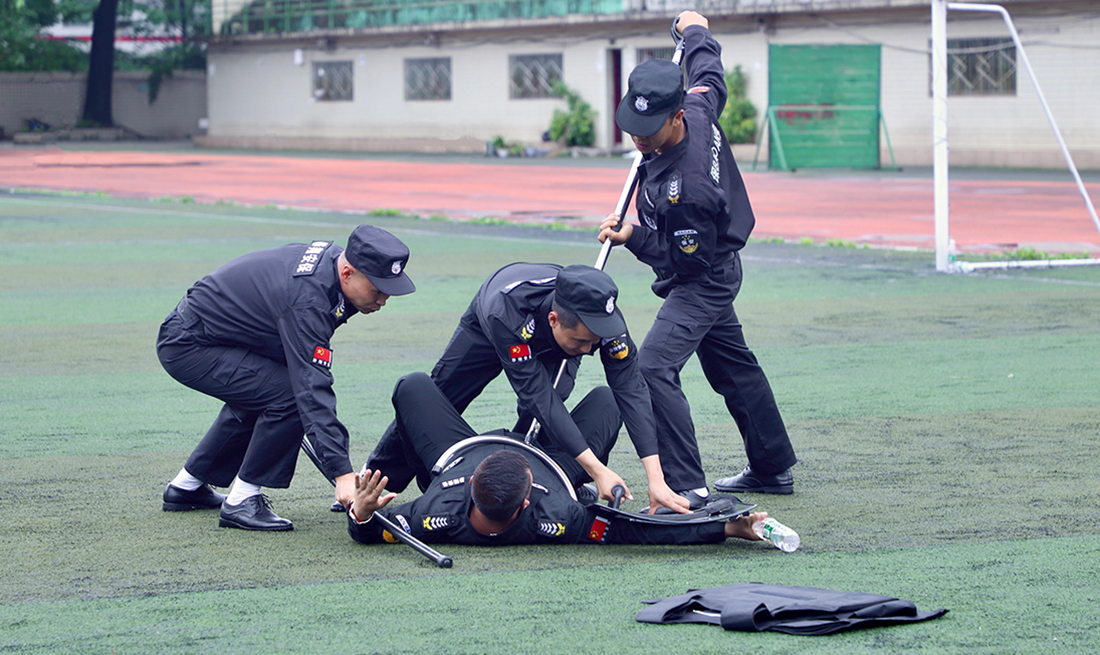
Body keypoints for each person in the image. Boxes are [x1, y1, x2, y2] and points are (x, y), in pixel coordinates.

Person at [598, 11, 797, 502]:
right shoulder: (698, 102)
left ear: (676, 117)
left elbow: (685, 264)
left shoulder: (686, 189)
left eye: (649, 130)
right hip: (713, 264)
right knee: (733, 368)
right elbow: (709, 72)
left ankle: (687, 486)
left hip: (703, 277)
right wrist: (695, 31)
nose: (638, 138)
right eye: (633, 126)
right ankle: (772, 467)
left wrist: (633, 236)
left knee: (653, 368)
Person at [365, 262, 691, 514]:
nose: (590, 350)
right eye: (582, 341)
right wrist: (597, 469)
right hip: (492, 326)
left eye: (595, 342)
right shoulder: (505, 312)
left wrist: (656, 479)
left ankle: (530, 479)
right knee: (444, 392)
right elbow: (537, 396)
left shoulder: (603, 321)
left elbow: (632, 391)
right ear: (554, 320)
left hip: (553, 337)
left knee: (555, 402)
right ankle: (376, 479)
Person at [157, 224, 416, 531]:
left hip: (223, 335)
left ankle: (186, 487)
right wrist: (342, 473)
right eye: (377, 289)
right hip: (191, 344)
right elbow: (311, 388)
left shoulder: (334, 268)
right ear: (348, 273)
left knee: (266, 389)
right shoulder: (308, 300)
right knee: (290, 394)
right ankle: (242, 500)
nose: (383, 300)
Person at [347, 372, 767, 546]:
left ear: (473, 485)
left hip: (459, 453)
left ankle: (389, 476)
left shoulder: (431, 513)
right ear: (527, 501)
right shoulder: (559, 517)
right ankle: (572, 472)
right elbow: (635, 531)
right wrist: (726, 527)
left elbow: (370, 532)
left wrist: (361, 513)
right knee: (608, 398)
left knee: (413, 385)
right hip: (552, 462)